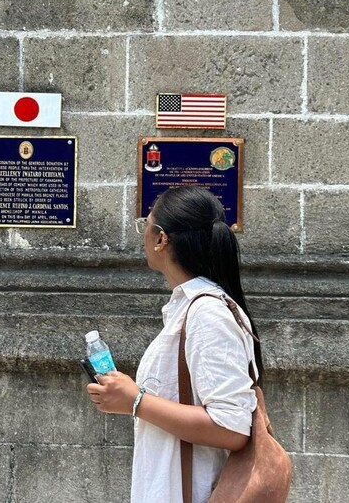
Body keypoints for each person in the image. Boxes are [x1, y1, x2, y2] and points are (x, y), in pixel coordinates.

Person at [87, 185, 263, 503]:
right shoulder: (190, 309)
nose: (143, 235)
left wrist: (136, 401)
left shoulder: (208, 314)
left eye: (147, 224)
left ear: (161, 239)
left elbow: (232, 428)